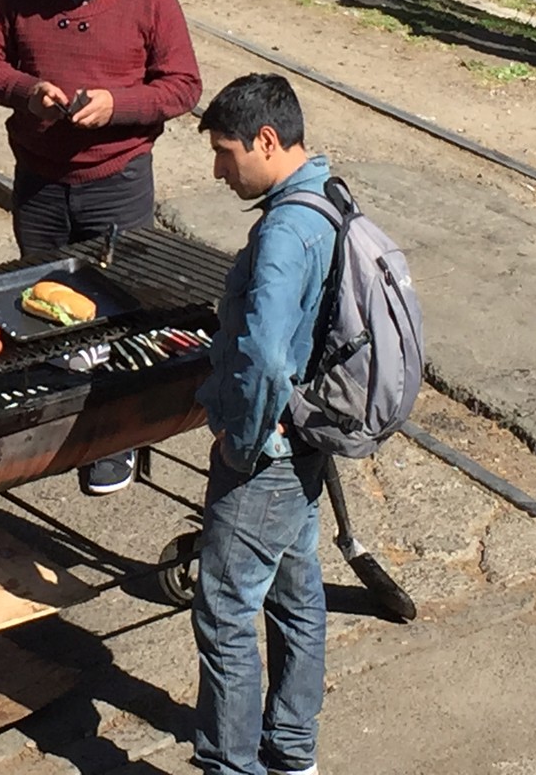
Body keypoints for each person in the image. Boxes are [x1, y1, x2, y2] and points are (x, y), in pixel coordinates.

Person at [0, 0, 201, 494]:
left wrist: (118, 105)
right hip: (40, 181)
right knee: (41, 305)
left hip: (117, 181)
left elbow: (182, 87)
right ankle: (50, 421)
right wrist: (26, 91)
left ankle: (114, 439)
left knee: (121, 316)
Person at [192, 74, 336, 775]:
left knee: (223, 613)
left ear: (267, 141)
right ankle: (292, 753)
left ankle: (232, 767)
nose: (219, 170)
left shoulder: (285, 232)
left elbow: (268, 356)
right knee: (295, 592)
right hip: (306, 442)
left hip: (268, 454)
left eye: (225, 153)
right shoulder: (328, 197)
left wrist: (240, 441)